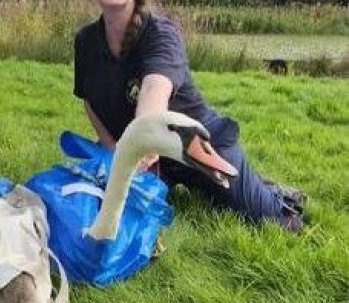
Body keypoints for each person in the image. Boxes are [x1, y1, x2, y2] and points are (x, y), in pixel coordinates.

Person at [73, 0, 307, 233]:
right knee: (97, 210)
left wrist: (139, 150)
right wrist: (112, 147)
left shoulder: (161, 34)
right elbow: (89, 100)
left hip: (195, 143)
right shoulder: (85, 40)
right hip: (139, 152)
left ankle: (273, 193)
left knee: (272, 221)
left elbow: (154, 94)